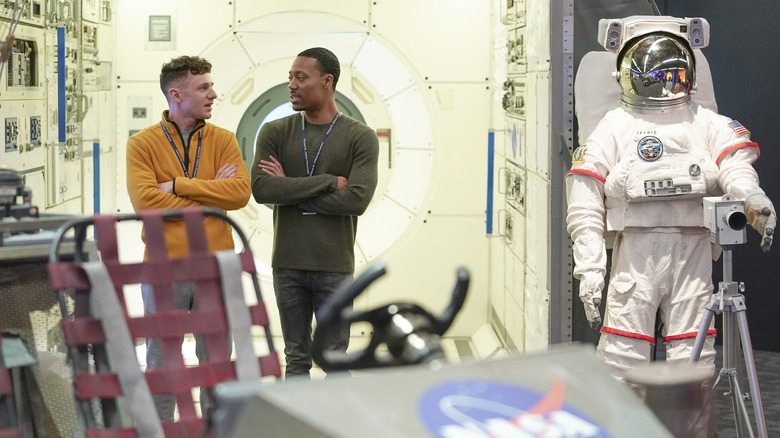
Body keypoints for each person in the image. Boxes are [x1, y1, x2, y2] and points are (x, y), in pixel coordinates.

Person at [566, 16, 776, 380]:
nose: (660, 81)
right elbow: (585, 197)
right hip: (637, 250)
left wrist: (751, 198)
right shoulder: (616, 124)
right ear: (625, 75)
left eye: (669, 70)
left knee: (692, 356)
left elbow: (735, 166)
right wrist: (590, 269)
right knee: (622, 354)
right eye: (648, 70)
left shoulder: (705, 121)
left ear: (688, 74)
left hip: (691, 247)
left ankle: (688, 426)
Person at [126, 55, 250, 419]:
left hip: (216, 266)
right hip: (165, 267)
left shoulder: (224, 140)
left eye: (211, 85)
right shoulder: (143, 145)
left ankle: (214, 428)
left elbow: (240, 193)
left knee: (215, 362)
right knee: (162, 362)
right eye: (204, 87)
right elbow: (147, 203)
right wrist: (212, 192)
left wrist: (178, 185)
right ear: (176, 94)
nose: (214, 93)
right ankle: (160, 428)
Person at [251, 47, 379, 379]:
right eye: (290, 78)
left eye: (300, 77)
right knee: (295, 359)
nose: (291, 85)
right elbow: (263, 189)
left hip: (334, 267)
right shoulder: (275, 132)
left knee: (335, 359)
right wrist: (324, 183)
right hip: (288, 265)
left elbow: (357, 201)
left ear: (327, 81)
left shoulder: (360, 137)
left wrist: (290, 190)